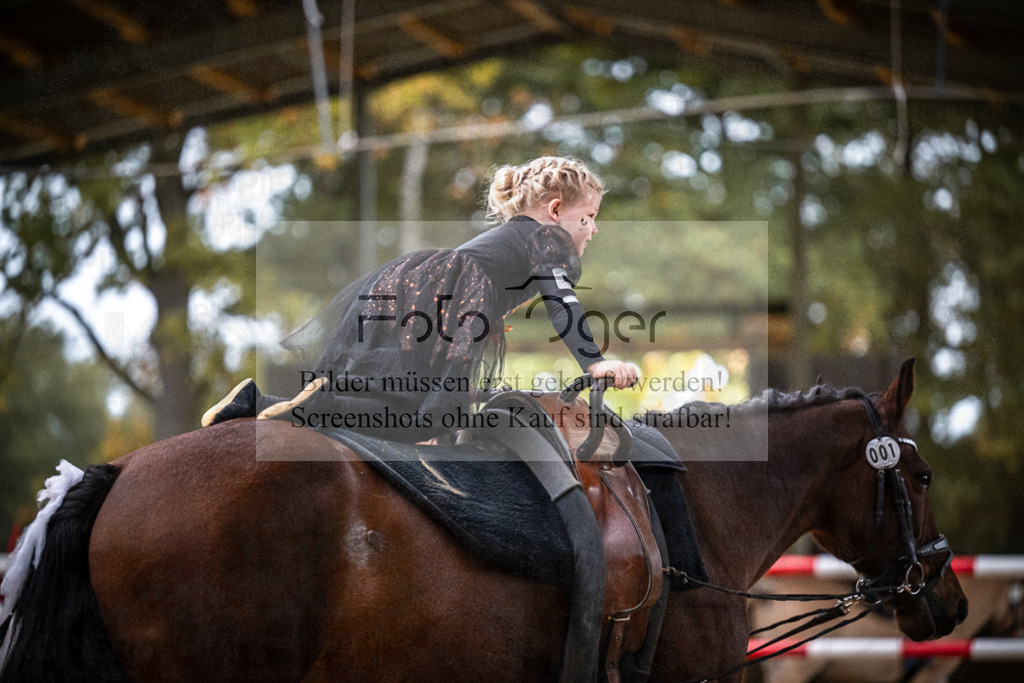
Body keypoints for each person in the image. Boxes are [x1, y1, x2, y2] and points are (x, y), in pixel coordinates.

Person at [201, 156, 637, 441]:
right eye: (589, 216)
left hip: (408, 287)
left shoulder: (519, 237)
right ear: (557, 210)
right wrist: (595, 362)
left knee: (400, 409)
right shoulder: (548, 237)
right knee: (435, 416)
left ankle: (262, 403)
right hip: (446, 297)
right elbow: (560, 298)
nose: (593, 229)